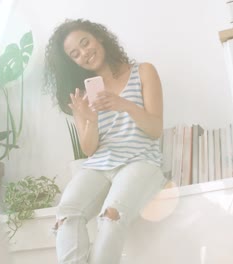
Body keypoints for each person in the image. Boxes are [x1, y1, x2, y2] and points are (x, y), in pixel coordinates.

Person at [44, 19, 167, 264]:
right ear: (73, 63)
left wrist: (125, 105)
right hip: (99, 165)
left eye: (85, 42)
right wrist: (89, 120)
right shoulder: (81, 94)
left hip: (140, 161)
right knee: (66, 216)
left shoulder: (144, 71)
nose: (84, 53)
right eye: (75, 54)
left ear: (99, 37)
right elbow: (89, 150)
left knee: (112, 216)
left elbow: (155, 130)